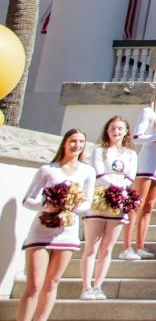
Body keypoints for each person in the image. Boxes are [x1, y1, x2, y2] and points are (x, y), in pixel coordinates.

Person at [18, 129, 94, 321]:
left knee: (52, 283)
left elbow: (87, 203)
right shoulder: (48, 170)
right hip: (42, 231)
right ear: (65, 143)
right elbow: (28, 200)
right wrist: (47, 205)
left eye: (81, 142)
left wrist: (71, 206)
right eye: (73, 141)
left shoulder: (87, 171)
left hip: (67, 232)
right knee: (34, 284)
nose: (77, 145)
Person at [80, 116, 137, 300]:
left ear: (126, 131)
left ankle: (98, 286)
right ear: (107, 130)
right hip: (100, 199)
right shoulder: (99, 151)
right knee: (91, 247)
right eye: (113, 128)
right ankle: (86, 286)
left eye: (120, 128)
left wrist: (121, 191)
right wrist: (116, 187)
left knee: (107, 248)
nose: (116, 132)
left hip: (118, 202)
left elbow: (130, 176)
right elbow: (100, 172)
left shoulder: (130, 154)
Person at [122, 82, 156, 260]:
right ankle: (126, 246)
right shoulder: (148, 112)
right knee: (137, 204)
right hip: (146, 162)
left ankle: (140, 245)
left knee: (149, 206)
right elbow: (137, 138)